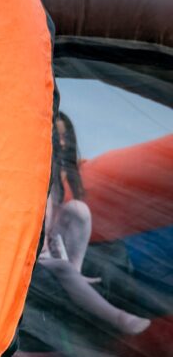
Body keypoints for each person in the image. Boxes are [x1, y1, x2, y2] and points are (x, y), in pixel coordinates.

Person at [36, 112, 150, 336]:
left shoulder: (62, 177)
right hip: (35, 254)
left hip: (51, 250)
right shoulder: (38, 172)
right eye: (57, 136)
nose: (62, 142)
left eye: (65, 137)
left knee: (78, 209)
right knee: (62, 268)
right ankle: (119, 318)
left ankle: (75, 273)